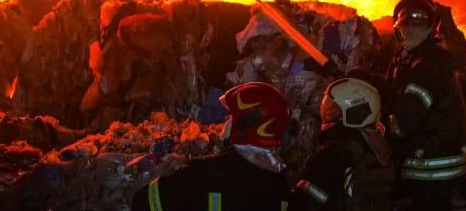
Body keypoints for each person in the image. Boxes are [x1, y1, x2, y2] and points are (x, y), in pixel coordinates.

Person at [131, 81, 292, 211]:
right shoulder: (283, 190)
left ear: (244, 124)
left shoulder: (201, 173)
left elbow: (143, 202)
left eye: (231, 116)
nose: (226, 120)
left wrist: (157, 175)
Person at [385, 0, 466, 210]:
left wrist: (381, 125)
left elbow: (404, 124)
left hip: (431, 166)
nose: (410, 31)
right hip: (439, 162)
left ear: (430, 29)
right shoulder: (425, 59)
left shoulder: (426, 66)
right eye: (406, 25)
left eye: (417, 25)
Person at [291, 77, 395, 211]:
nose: (327, 113)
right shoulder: (380, 148)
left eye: (334, 109)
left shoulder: (333, 153)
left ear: (354, 113)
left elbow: (305, 202)